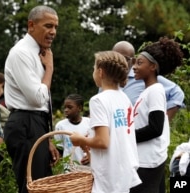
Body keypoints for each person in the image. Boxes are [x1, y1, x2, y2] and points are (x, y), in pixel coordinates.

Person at [112, 41, 185, 193]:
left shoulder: (155, 91)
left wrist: (126, 137)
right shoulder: (148, 91)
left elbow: (155, 128)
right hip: (142, 159)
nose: (135, 67)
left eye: (139, 63)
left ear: (153, 67)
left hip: (148, 161)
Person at [3, 5, 59, 193]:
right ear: (31, 25)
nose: (53, 32)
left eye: (55, 27)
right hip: (25, 123)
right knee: (33, 187)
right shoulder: (21, 53)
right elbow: (37, 98)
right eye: (48, 26)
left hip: (35, 123)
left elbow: (42, 105)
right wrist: (50, 69)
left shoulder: (40, 52)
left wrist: (47, 139)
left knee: (41, 185)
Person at [70, 51, 141, 193]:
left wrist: (81, 140)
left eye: (94, 68)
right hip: (124, 170)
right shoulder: (124, 98)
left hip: (109, 174)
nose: (93, 72)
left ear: (100, 72)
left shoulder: (98, 100)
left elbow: (102, 142)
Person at [112, 41, 185, 122]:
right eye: (114, 58)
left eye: (124, 58)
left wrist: (164, 121)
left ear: (132, 61)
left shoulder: (150, 82)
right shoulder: (106, 80)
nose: (118, 62)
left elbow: (177, 93)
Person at [54, 94, 90, 169]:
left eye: (70, 107)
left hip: (87, 167)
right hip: (68, 169)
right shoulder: (60, 126)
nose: (66, 110)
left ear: (79, 108)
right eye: (65, 107)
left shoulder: (89, 123)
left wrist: (90, 156)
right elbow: (59, 150)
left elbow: (95, 145)